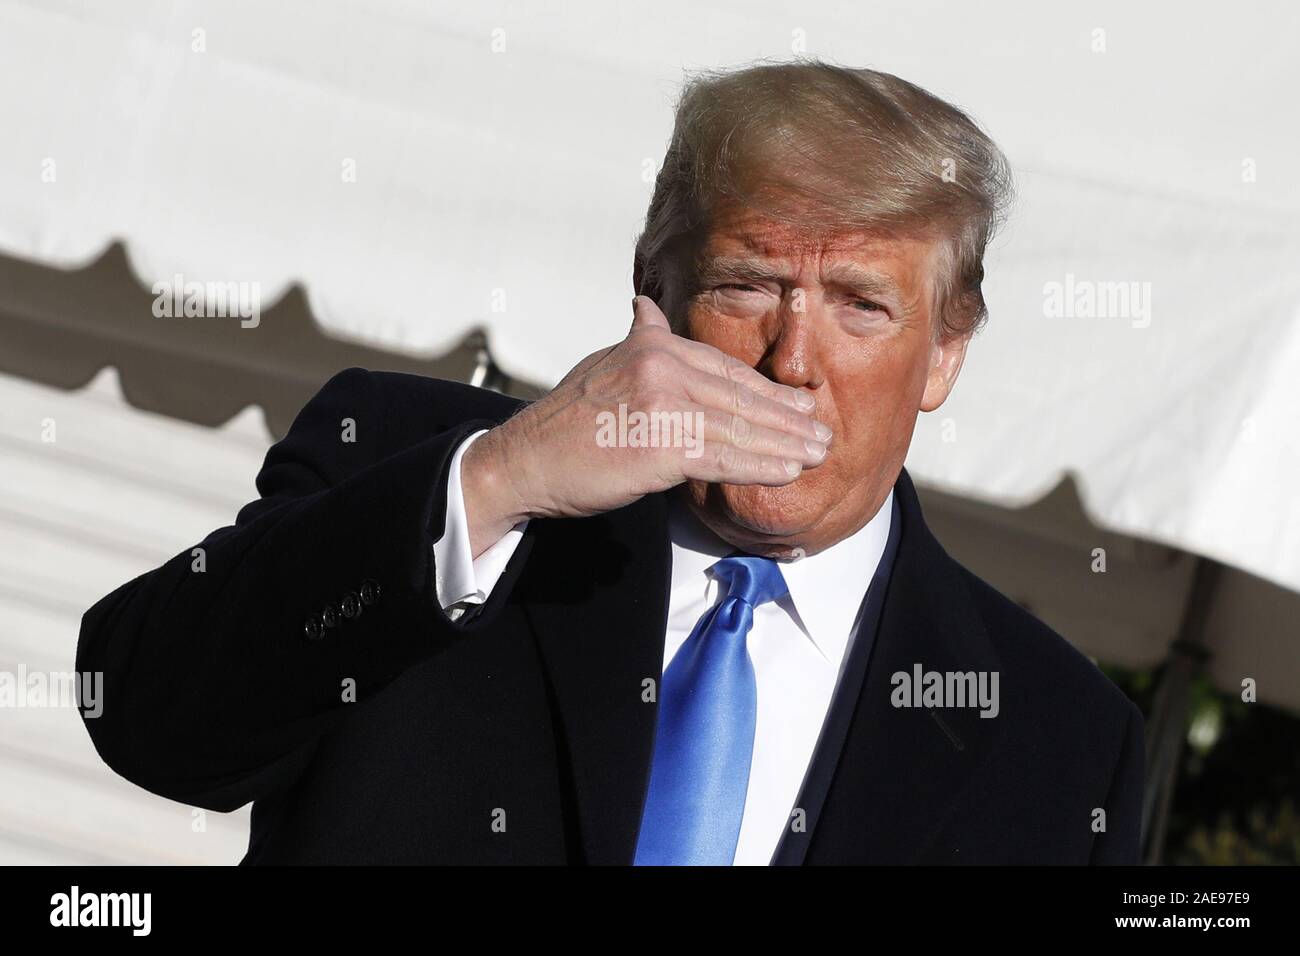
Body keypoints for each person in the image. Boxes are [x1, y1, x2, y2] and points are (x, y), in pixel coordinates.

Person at [77, 60, 1143, 864]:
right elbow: (140, 713)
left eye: (861, 305)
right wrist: (498, 480)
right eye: (745, 284)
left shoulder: (1058, 738)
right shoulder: (422, 469)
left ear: (945, 352)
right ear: (653, 285)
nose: (791, 359)